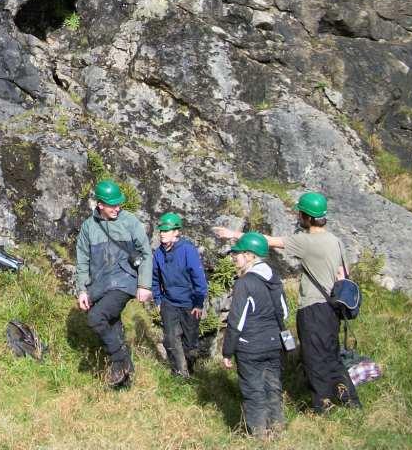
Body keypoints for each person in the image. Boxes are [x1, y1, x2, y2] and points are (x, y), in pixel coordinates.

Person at [213, 191, 361, 413]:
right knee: (331, 355)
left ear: (308, 217)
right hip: (333, 309)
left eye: (300, 213)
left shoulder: (307, 241)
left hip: (313, 309)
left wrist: (233, 234)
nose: (298, 217)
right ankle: (350, 402)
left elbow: (268, 242)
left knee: (314, 360)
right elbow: (343, 273)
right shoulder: (336, 242)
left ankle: (323, 407)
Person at [75, 178, 153, 388]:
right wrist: (82, 290)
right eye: (113, 205)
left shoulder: (130, 222)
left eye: (120, 204)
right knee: (112, 326)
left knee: (96, 317)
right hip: (100, 287)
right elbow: (82, 261)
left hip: (124, 282)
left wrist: (144, 285)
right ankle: (125, 379)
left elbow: (146, 253)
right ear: (100, 204)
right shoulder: (88, 228)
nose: (118, 208)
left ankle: (119, 358)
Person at [221, 232, 288, 438]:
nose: (234, 258)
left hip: (250, 346)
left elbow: (236, 323)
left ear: (250, 255)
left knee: (253, 391)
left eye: (237, 254)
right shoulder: (273, 278)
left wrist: (227, 352)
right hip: (274, 343)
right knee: (273, 387)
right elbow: (284, 312)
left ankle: (260, 435)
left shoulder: (244, 283)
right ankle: (278, 428)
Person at [152, 212, 208, 378]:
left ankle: (190, 368)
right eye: (161, 230)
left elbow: (199, 278)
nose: (162, 233)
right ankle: (180, 373)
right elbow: (155, 278)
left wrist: (198, 303)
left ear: (176, 232)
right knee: (171, 337)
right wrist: (158, 299)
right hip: (169, 302)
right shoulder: (158, 254)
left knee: (190, 342)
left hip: (190, 303)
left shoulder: (187, 250)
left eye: (166, 230)